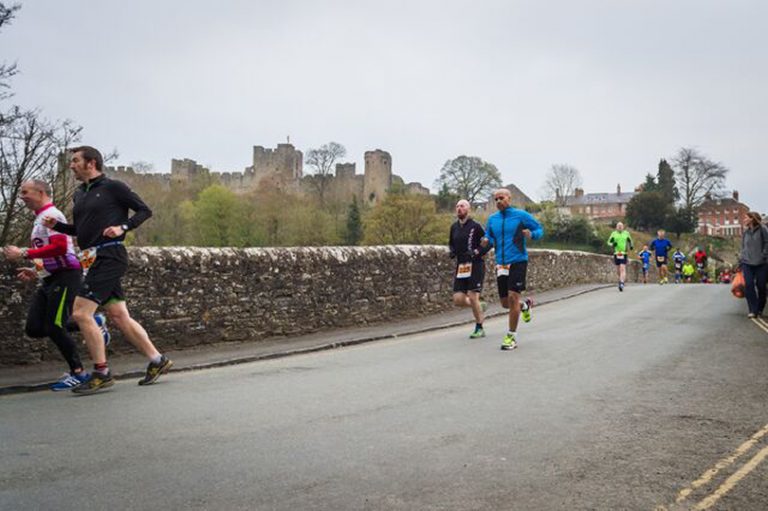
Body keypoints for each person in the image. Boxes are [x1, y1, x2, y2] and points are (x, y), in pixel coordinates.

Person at [44, 146, 172, 394]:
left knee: (81, 313)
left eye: (75, 161)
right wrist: (58, 226)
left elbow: (145, 211)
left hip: (110, 255)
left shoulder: (114, 187)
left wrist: (122, 227)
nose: (71, 165)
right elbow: (83, 230)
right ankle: (158, 360)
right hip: (92, 257)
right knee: (118, 315)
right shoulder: (80, 194)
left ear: (91, 163)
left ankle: (101, 372)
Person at [2, 180, 110, 391]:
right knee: (34, 328)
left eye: (26, 192)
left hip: (66, 277)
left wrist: (24, 253)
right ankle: (93, 322)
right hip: (50, 278)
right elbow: (53, 250)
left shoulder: (53, 215)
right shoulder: (39, 218)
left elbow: (60, 247)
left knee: (54, 325)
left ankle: (78, 373)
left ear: (40, 192)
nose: (21, 196)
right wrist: (36, 270)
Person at [481, 188, 543, 350]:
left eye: (501, 198)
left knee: (513, 297)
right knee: (505, 303)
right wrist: (486, 240)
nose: (498, 201)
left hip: (517, 260)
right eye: (495, 199)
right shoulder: (492, 219)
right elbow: (489, 235)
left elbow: (539, 229)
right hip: (501, 263)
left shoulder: (521, 215)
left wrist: (532, 234)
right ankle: (524, 306)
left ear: (509, 198)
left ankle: (511, 336)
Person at [449, 200, 490, 338]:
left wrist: (477, 252)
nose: (459, 209)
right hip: (461, 266)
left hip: (476, 265)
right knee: (458, 299)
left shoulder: (476, 226)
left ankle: (479, 327)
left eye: (462, 206)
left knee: (473, 297)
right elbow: (451, 244)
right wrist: (452, 251)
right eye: (457, 206)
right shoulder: (454, 227)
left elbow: (488, 242)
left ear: (469, 209)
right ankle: (479, 305)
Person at [739, 212, 768, 318]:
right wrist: (741, 259)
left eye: (746, 217)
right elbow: (743, 247)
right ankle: (753, 310)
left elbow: (767, 242)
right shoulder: (745, 232)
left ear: (752, 218)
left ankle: (760, 308)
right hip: (747, 263)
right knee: (749, 286)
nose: (744, 219)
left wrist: (764, 255)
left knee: (761, 286)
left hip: (761, 263)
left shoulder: (763, 229)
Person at [608, 222, 633, 291]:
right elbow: (609, 242)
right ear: (616, 227)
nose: (619, 227)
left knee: (622, 268)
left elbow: (630, 241)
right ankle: (621, 280)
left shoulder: (626, 233)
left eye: (621, 226)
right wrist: (613, 244)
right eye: (618, 226)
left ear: (623, 227)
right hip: (616, 253)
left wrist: (631, 246)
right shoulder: (613, 234)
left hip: (624, 253)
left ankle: (621, 283)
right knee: (618, 270)